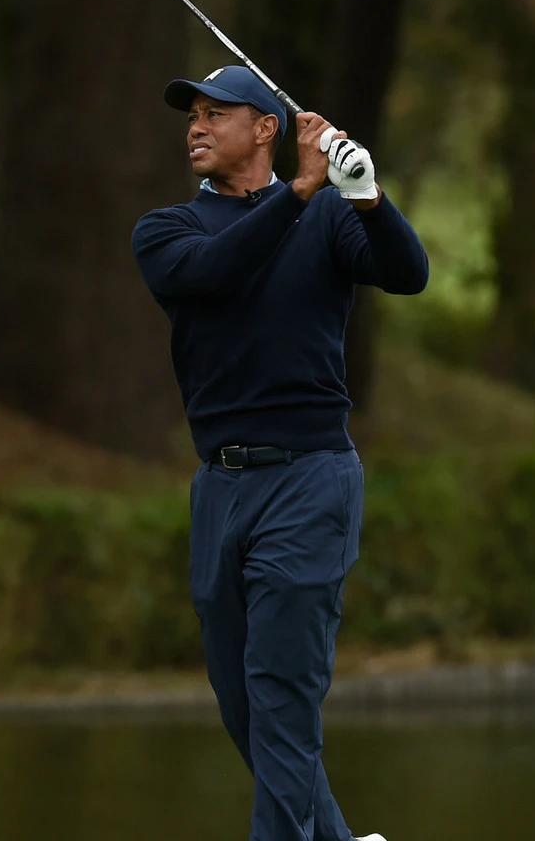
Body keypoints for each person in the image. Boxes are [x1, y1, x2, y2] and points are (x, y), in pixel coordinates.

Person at [130, 65, 429, 841]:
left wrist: (365, 196)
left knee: (280, 695)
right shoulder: (167, 232)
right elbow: (218, 274)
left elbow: (408, 273)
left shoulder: (329, 220)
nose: (194, 127)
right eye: (190, 116)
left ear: (264, 127)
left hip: (309, 479)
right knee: (243, 703)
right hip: (220, 488)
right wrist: (298, 191)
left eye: (214, 114)